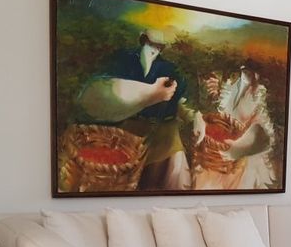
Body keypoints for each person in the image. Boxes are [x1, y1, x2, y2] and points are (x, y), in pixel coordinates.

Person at [77, 29, 204, 190]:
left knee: (176, 178)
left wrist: (195, 117)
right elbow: (102, 94)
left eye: (159, 47)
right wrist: (149, 94)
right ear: (143, 41)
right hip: (132, 132)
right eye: (151, 44)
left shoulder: (170, 69)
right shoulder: (125, 60)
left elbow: (181, 102)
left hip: (165, 134)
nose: (154, 50)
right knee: (124, 179)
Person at [192, 62, 275, 190]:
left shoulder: (260, 93)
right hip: (216, 155)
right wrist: (215, 95)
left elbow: (263, 136)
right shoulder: (233, 82)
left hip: (243, 158)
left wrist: (236, 148)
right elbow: (222, 112)